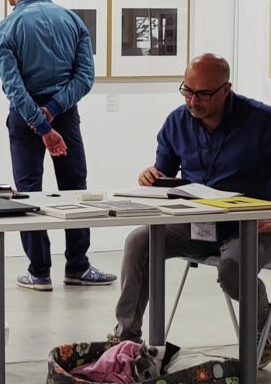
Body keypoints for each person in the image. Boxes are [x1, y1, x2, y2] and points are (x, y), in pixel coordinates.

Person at [112, 53, 271, 367]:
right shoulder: (177, 121)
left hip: (251, 225)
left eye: (203, 94)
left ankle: (265, 329)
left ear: (226, 89)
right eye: (187, 90)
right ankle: (126, 339)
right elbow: (165, 176)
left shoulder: (262, 121)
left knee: (233, 268)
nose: (193, 100)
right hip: (196, 223)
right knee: (138, 242)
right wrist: (152, 177)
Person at [0, 0, 115, 290]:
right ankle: (78, 266)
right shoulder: (71, 20)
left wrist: (39, 121)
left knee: (29, 192)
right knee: (75, 188)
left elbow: (13, 86)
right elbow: (85, 78)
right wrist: (54, 109)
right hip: (64, 114)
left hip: (26, 118)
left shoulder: (7, 28)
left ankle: (38, 271)